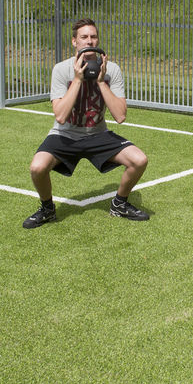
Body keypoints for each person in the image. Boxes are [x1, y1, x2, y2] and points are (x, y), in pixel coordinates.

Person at [22, 18, 150, 228]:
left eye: (93, 37)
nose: (90, 41)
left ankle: (119, 204)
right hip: (64, 136)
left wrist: (100, 81)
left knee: (139, 160)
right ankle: (47, 209)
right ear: (74, 42)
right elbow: (60, 116)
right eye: (84, 37)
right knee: (37, 167)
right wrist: (78, 79)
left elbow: (120, 116)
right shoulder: (61, 70)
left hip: (98, 135)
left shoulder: (112, 70)